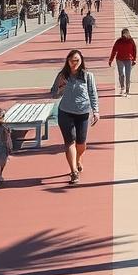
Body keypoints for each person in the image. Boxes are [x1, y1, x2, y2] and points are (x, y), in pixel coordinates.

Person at [50, 50, 99, 185]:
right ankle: (73, 172)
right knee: (69, 142)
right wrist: (60, 88)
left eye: (77, 60)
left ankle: (78, 158)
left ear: (81, 61)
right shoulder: (62, 76)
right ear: (67, 61)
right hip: (65, 112)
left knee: (81, 143)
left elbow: (93, 94)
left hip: (82, 113)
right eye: (72, 60)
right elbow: (53, 94)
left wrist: (96, 111)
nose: (74, 63)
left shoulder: (88, 76)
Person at [108, 28, 137, 96]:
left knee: (128, 75)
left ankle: (127, 90)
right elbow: (114, 50)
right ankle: (122, 87)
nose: (124, 36)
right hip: (120, 59)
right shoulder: (118, 41)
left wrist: (134, 59)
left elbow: (134, 50)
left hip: (128, 60)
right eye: (123, 34)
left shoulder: (131, 41)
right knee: (121, 74)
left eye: (125, 34)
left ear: (128, 34)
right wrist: (111, 60)